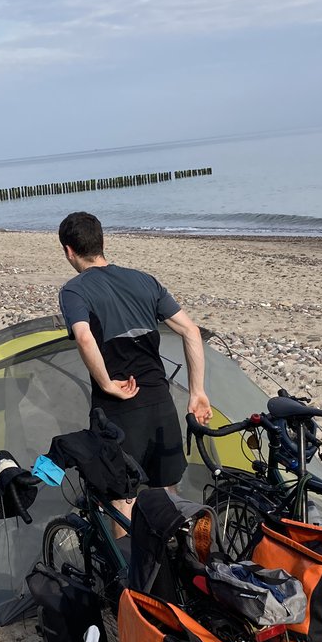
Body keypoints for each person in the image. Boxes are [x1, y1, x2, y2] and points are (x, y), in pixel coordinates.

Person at [57, 212, 211, 514]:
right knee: (167, 498)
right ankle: (172, 558)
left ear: (68, 251)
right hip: (160, 403)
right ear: (102, 243)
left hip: (119, 410)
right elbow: (191, 331)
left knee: (122, 499)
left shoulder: (74, 290)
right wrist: (197, 392)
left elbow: (85, 338)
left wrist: (107, 384)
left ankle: (126, 562)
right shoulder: (144, 280)